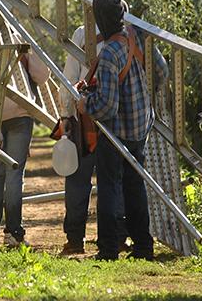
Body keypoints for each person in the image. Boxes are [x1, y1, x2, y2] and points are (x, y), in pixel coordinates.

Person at [76, 0, 168, 261]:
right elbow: (161, 71)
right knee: (134, 184)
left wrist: (85, 104)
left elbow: (106, 107)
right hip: (141, 125)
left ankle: (108, 248)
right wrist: (142, 94)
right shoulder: (136, 38)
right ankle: (142, 246)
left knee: (109, 186)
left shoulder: (108, 54)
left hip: (117, 132)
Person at [58, 25, 128, 255]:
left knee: (78, 179)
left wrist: (66, 115)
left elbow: (69, 77)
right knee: (113, 180)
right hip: (117, 116)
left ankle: (75, 239)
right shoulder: (128, 33)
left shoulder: (82, 33)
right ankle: (116, 237)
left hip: (84, 115)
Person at [0, 36, 50, 247]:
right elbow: (42, 75)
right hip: (20, 114)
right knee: (14, 174)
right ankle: (13, 232)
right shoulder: (18, 38)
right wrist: (30, 50)